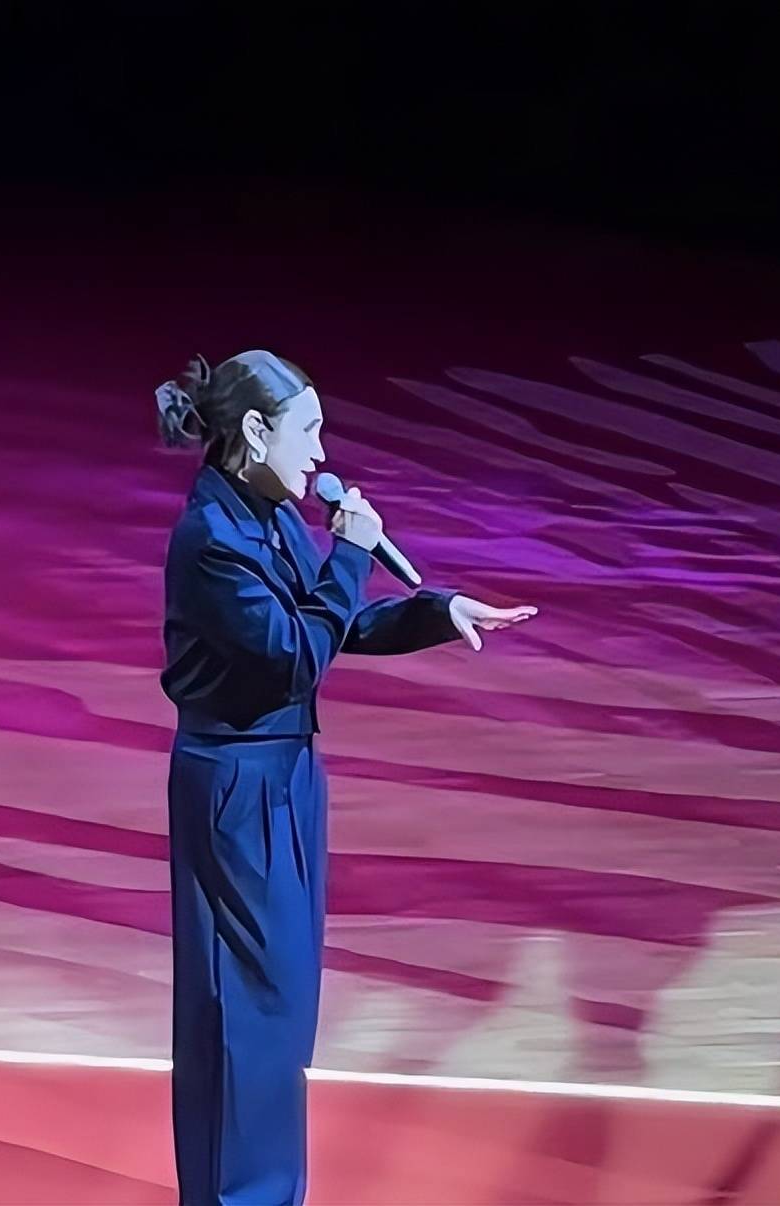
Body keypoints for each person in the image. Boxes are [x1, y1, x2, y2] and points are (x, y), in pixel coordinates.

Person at [155, 349, 536, 1205]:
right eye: (310, 431)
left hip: (288, 774)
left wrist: (437, 611)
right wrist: (351, 554)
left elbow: (337, 628)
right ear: (257, 432)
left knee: (281, 1001)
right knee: (242, 1003)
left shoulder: (270, 516)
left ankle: (268, 1192)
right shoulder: (212, 540)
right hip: (234, 782)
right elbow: (296, 655)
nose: (322, 454)